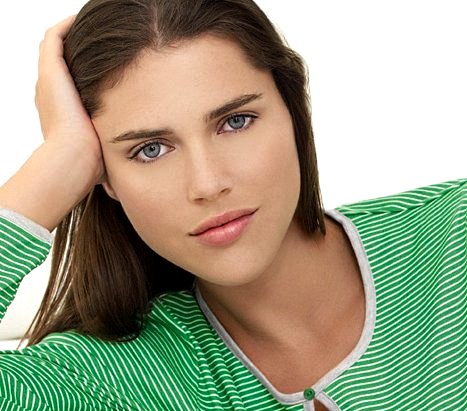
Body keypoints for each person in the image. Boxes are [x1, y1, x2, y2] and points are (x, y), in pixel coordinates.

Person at [0, 0, 465, 410]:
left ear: (293, 108)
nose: (208, 183)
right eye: (151, 150)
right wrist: (57, 162)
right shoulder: (105, 379)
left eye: (236, 121)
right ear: (103, 175)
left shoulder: (454, 239)